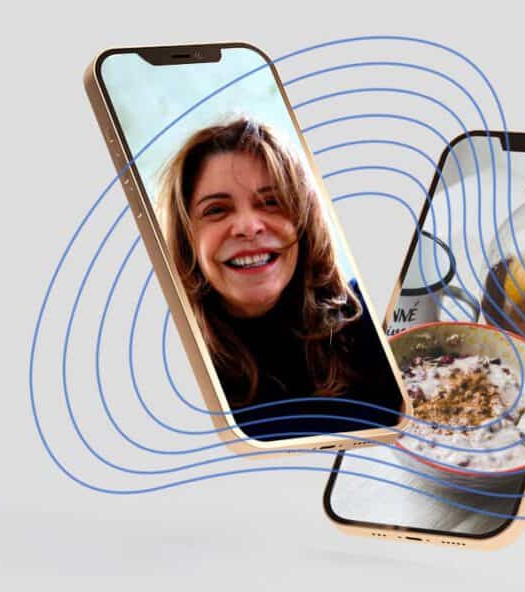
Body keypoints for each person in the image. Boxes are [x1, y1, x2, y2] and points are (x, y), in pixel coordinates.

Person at [156, 117, 402, 440]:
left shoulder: (372, 314)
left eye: (271, 202)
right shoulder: (171, 370)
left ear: (303, 221)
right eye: (217, 210)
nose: (248, 226)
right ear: (187, 240)